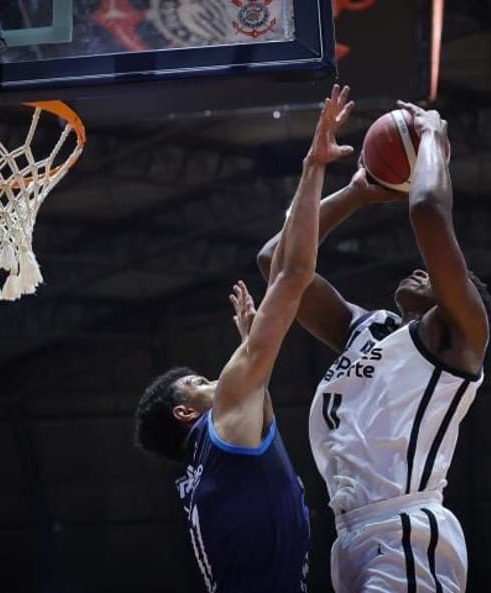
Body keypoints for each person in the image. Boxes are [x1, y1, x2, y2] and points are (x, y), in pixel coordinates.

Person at [257, 102, 491, 593]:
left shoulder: (458, 337)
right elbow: (277, 263)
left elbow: (428, 211)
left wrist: (431, 135)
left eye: (437, 275)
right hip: (350, 536)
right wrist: (357, 193)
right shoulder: (367, 329)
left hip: (404, 527)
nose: (421, 270)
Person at [133, 85, 356, 593]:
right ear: (185, 412)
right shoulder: (227, 416)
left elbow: (260, 408)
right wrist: (313, 166)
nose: (217, 377)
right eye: (198, 380)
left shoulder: (212, 461)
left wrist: (253, 348)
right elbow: (292, 274)